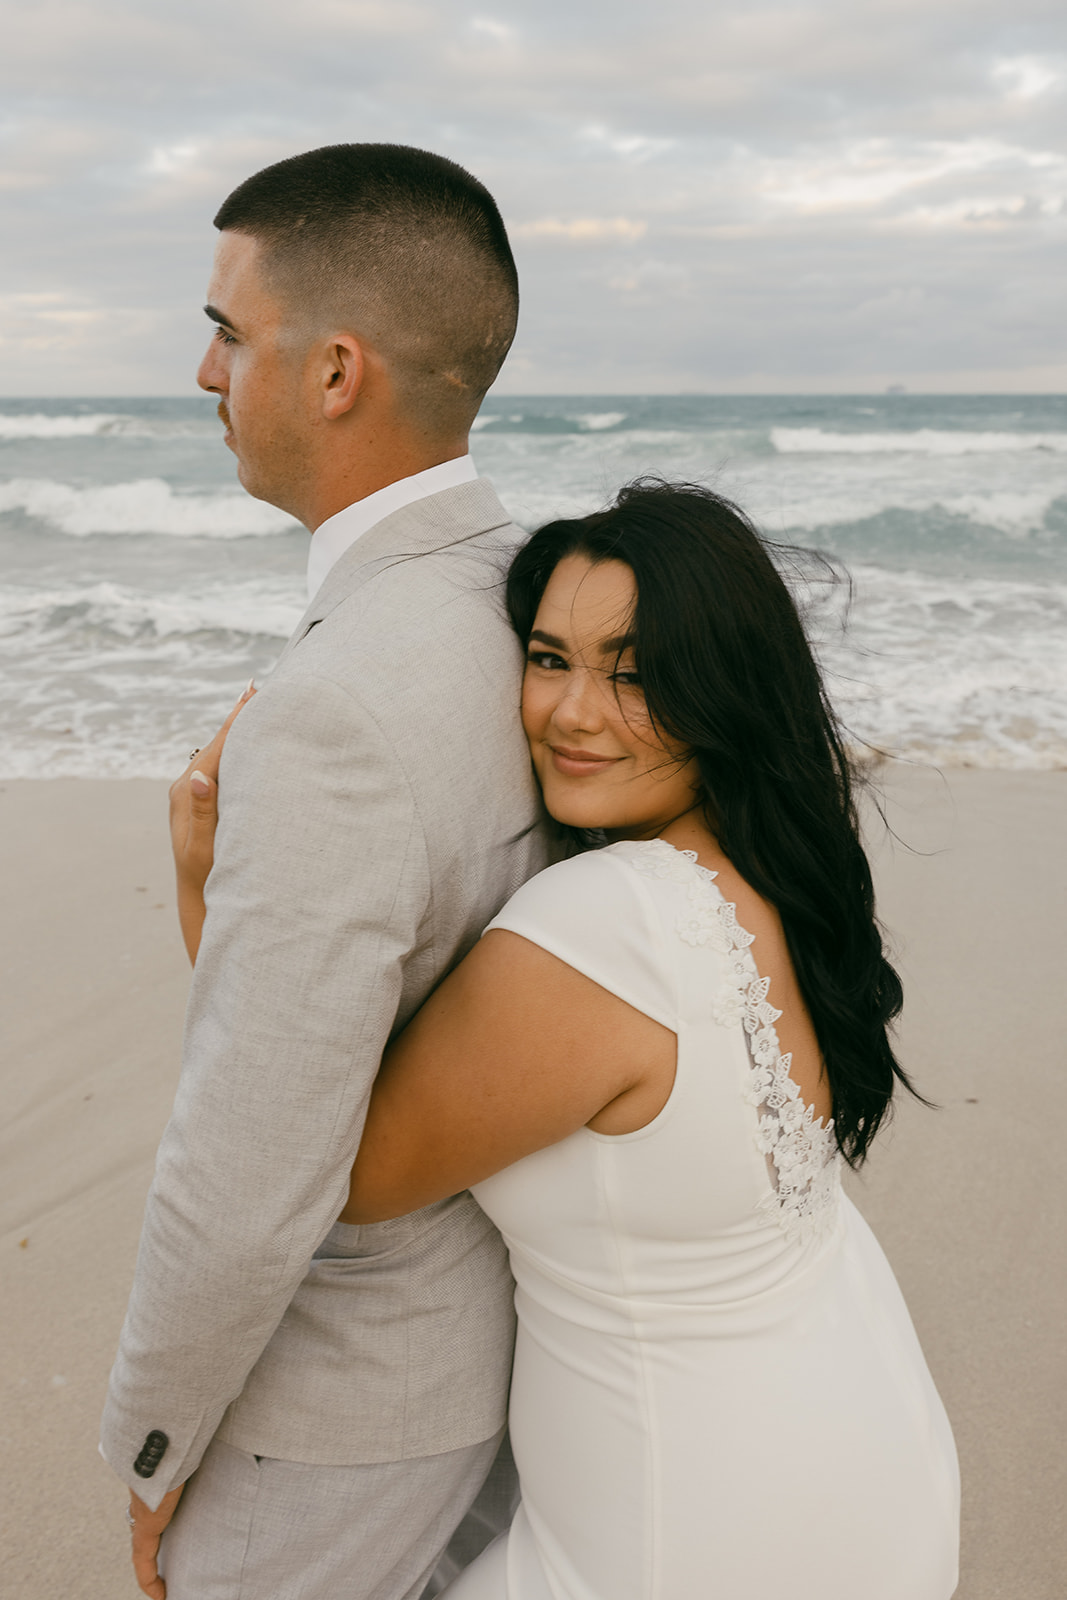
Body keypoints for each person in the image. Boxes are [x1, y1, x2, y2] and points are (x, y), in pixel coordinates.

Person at [180, 481, 961, 1598]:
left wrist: (208, 899)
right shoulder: (781, 878)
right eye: (549, 658)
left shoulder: (599, 927)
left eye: (633, 673)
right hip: (870, 1462)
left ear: (723, 691)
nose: (571, 712)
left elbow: (325, 1166)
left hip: (693, 1541)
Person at [100, 143, 556, 1600]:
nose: (202, 371)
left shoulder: (334, 710)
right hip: (504, 1354)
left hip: (339, 1416)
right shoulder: (541, 597)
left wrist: (149, 1440)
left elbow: (246, 1173)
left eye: (229, 330)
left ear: (337, 369)